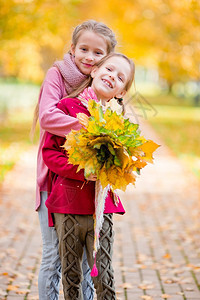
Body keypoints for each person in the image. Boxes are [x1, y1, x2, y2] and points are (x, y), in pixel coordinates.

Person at [31, 20, 117, 300]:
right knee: (53, 255)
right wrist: (92, 129)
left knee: (85, 259)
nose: (89, 58)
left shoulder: (104, 84)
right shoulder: (57, 75)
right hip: (53, 179)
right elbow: (47, 117)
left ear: (108, 57)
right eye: (84, 49)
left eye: (98, 53)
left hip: (87, 184)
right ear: (72, 48)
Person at [42, 52, 135, 299]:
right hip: (69, 203)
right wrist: (82, 171)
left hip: (102, 208)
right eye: (109, 69)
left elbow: (124, 163)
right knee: (71, 275)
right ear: (94, 71)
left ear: (121, 92)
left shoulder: (118, 122)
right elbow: (50, 153)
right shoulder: (67, 108)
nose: (112, 76)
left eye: (120, 77)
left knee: (103, 273)